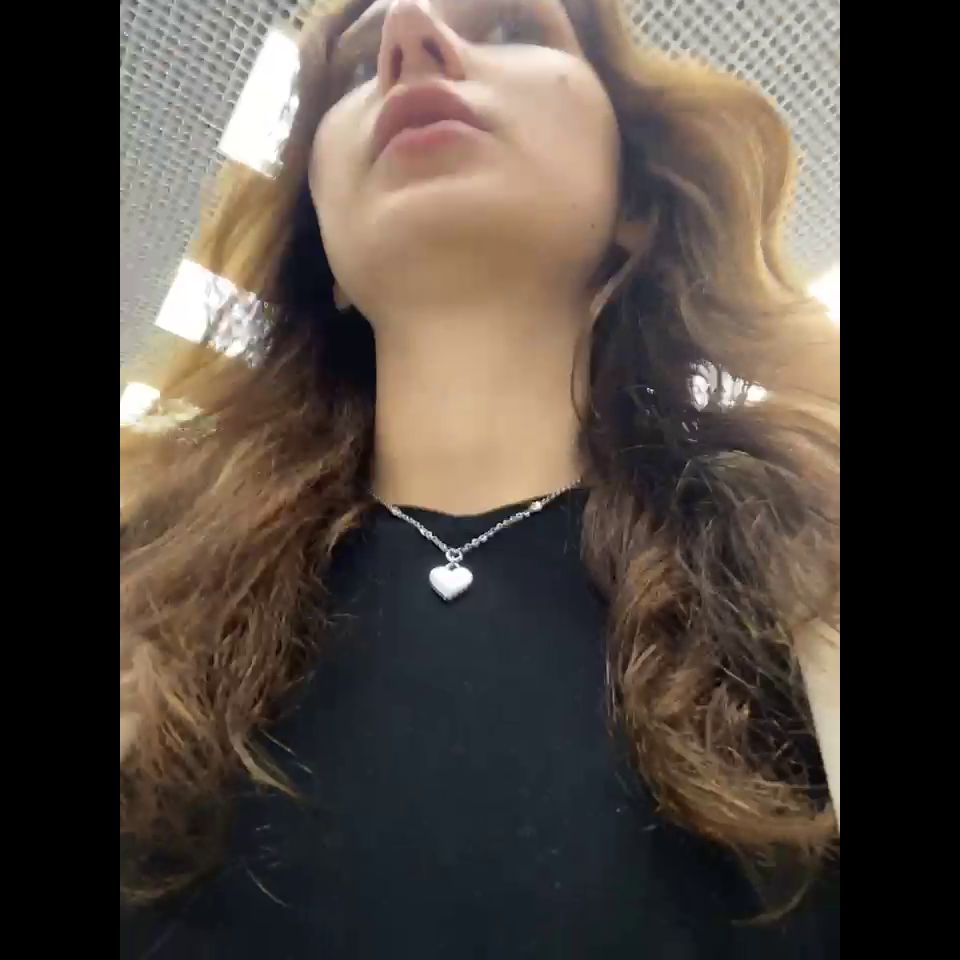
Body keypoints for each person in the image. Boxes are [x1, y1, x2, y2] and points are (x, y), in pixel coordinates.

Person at [120, 0, 840, 956]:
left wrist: (774, 338)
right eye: (358, 66)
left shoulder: (804, 578)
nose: (412, 35)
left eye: (510, 30)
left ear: (635, 203)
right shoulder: (144, 588)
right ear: (324, 252)